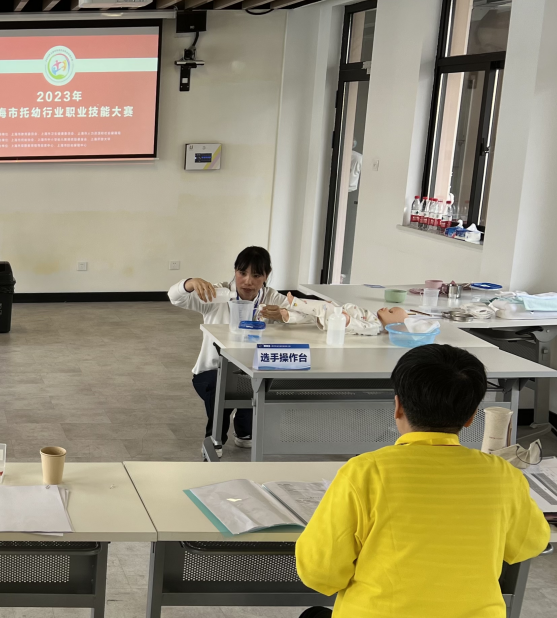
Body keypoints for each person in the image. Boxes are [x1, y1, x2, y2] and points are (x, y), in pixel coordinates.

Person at [295, 344, 550, 618]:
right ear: (471, 417)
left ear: (398, 407)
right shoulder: (503, 475)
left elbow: (320, 573)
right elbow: (529, 544)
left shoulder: (364, 472)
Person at [168, 246, 310, 448]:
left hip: (253, 370)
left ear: (266, 275)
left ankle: (244, 429)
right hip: (213, 371)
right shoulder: (217, 294)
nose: (248, 281)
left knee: (260, 383)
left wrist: (287, 315)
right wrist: (189, 283)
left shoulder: (272, 299)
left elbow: (309, 315)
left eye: (256, 275)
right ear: (235, 271)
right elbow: (175, 297)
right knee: (221, 390)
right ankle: (215, 440)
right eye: (242, 273)